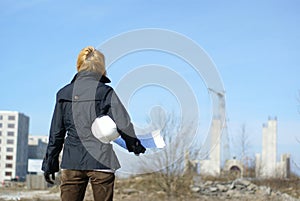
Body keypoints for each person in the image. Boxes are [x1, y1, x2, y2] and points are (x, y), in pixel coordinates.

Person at [42, 46, 146, 201]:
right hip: (101, 160)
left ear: (79, 65)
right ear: (101, 68)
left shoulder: (63, 94)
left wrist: (50, 163)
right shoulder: (105, 92)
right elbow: (123, 123)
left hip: (72, 161)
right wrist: (134, 145)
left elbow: (56, 133)